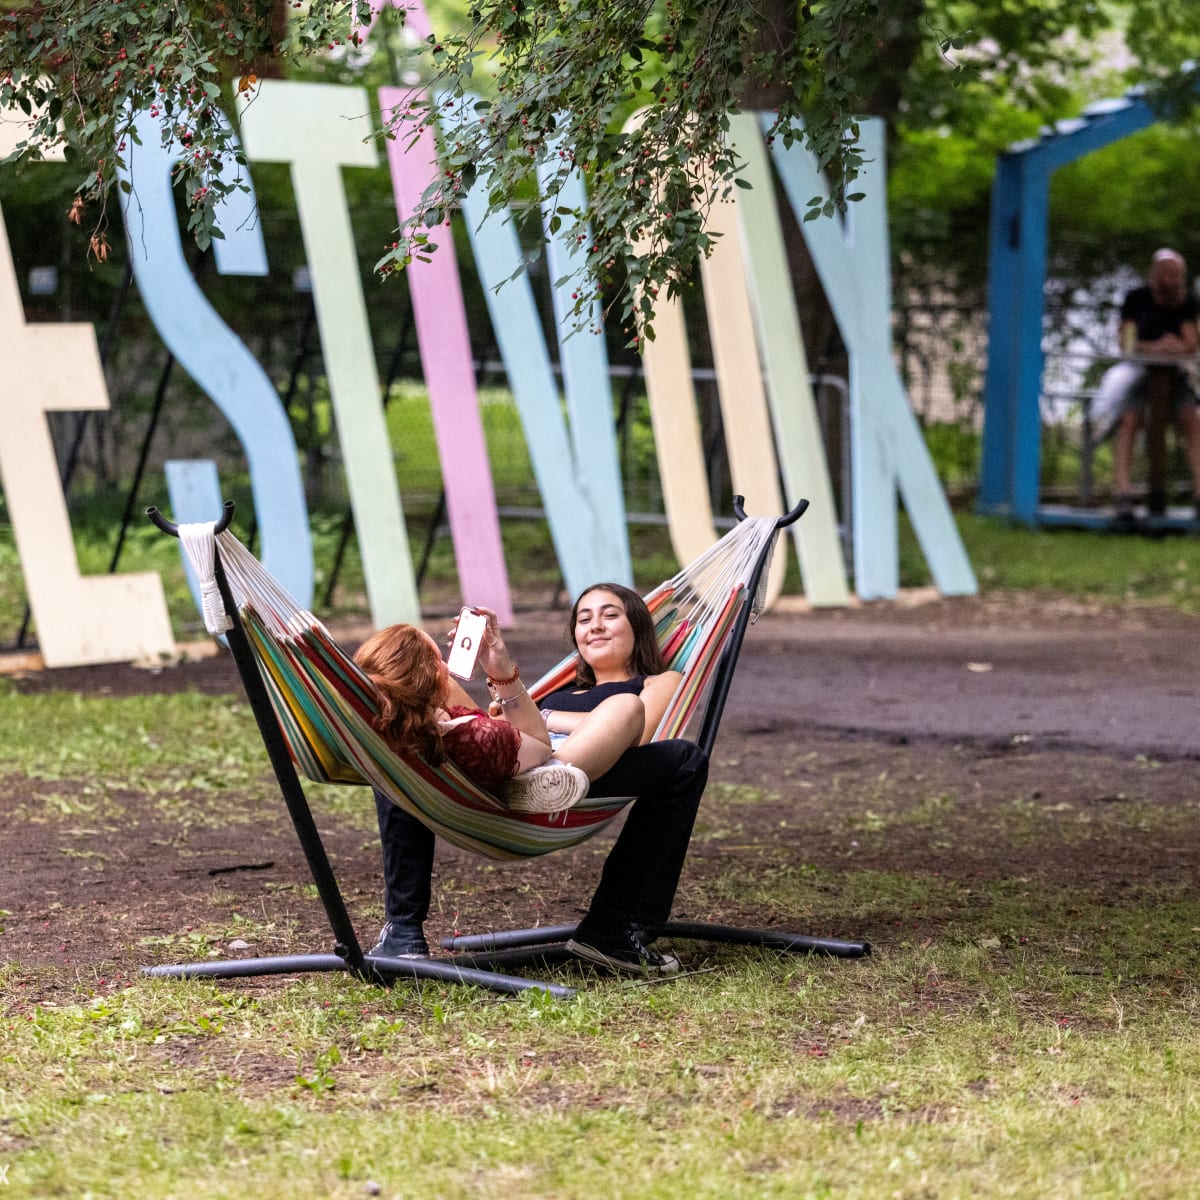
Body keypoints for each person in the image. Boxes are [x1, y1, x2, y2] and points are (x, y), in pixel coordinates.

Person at [368, 583, 709, 977]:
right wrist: (493, 676)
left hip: (581, 772)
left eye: (610, 615)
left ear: (639, 628)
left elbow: (644, 730)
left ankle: (548, 776)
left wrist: (542, 721)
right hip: (510, 765)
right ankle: (404, 932)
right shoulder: (556, 689)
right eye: (584, 619)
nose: (595, 625)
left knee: (655, 734)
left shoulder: (656, 681)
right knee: (411, 714)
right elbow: (500, 730)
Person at [1098, 248, 1200, 520]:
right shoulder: (1136, 299)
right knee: (1129, 421)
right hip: (1138, 373)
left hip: (1175, 375)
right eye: (1166, 273)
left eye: (1176, 274)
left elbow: (1190, 344)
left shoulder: (1186, 303)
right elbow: (1126, 343)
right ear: (1155, 273)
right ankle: (1123, 494)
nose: (1171, 279)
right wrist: (1154, 347)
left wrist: (1174, 348)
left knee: (1191, 420)